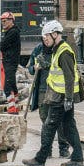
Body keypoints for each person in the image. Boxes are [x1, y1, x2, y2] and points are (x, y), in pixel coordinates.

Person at [24, 20, 84, 166]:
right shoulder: (58, 50)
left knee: (49, 126)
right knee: (69, 127)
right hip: (60, 96)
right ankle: (77, 158)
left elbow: (69, 77)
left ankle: (40, 159)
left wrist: (69, 99)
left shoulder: (64, 52)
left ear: (55, 34)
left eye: (47, 37)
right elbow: (58, 72)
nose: (45, 40)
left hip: (61, 97)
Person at [27, 29, 71, 158]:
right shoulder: (38, 50)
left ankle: (63, 148)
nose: (46, 40)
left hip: (56, 89)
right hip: (42, 88)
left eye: (48, 37)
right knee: (45, 119)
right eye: (44, 38)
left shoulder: (59, 49)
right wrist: (34, 68)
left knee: (59, 119)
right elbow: (30, 67)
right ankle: (47, 149)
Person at [0, 11, 21, 112]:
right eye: (2, 21)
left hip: (10, 61)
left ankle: (12, 107)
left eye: (5, 21)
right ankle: (16, 102)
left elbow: (2, 45)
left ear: (11, 21)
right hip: (10, 60)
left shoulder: (12, 32)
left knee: (7, 85)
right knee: (12, 82)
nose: (3, 23)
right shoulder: (10, 32)